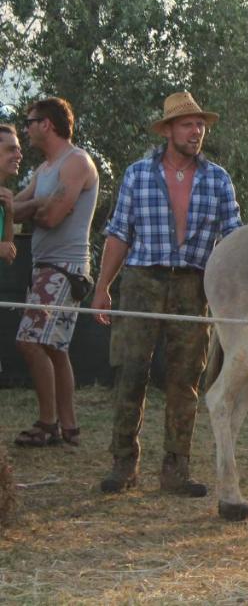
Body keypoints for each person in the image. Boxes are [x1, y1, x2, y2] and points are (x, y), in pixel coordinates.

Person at [91, 93, 242, 495]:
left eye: (201, 125)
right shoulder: (138, 174)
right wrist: (102, 287)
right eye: (188, 125)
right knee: (130, 373)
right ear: (168, 130)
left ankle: (176, 470)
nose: (197, 132)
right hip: (142, 281)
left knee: (186, 380)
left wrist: (235, 297)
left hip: (194, 284)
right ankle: (123, 465)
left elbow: (233, 242)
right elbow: (119, 234)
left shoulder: (218, 179)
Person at [10, 98, 99, 448]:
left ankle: (48, 423)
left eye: (29, 122)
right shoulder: (44, 171)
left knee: (30, 341)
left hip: (65, 268)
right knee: (54, 348)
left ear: (46, 124)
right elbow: (14, 211)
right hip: (46, 267)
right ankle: (70, 427)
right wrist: (34, 205)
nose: (26, 128)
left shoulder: (76, 162)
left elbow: (51, 218)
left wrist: (31, 208)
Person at [0, 124, 23, 267]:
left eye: (19, 150)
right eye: (11, 149)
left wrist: (9, 213)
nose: (19, 155)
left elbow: (8, 254)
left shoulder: (5, 198)